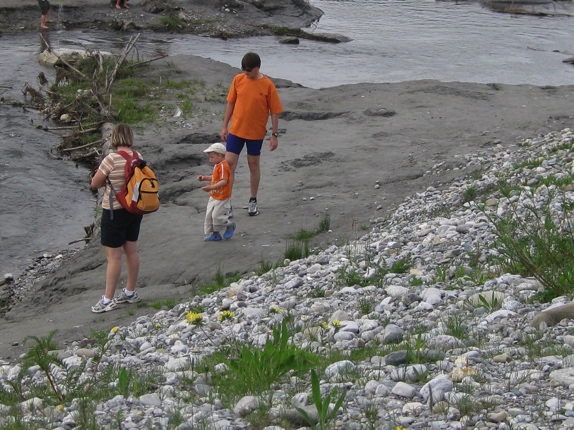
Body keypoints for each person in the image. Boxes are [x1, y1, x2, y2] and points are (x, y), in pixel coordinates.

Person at [220, 52, 283, 217]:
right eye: (244, 69)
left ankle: (253, 200)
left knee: (253, 165)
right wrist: (224, 126)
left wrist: (274, 135)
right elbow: (231, 103)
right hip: (236, 130)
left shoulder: (267, 85)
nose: (246, 73)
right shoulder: (238, 79)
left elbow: (274, 112)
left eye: (249, 70)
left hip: (255, 133)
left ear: (257, 68)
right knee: (229, 164)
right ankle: (227, 202)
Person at [90, 124, 143, 313]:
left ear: (114, 138)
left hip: (114, 211)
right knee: (131, 251)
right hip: (134, 209)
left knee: (113, 256)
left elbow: (95, 183)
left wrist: (107, 181)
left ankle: (107, 299)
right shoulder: (138, 157)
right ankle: (130, 291)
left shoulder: (111, 159)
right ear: (130, 138)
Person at [197, 142, 236, 242]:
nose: (210, 159)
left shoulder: (223, 166)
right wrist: (204, 178)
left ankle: (229, 225)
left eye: (212, 157)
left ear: (219, 155)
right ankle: (215, 234)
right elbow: (215, 177)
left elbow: (224, 181)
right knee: (210, 215)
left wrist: (211, 187)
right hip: (214, 195)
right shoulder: (217, 165)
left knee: (217, 216)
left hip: (222, 197)